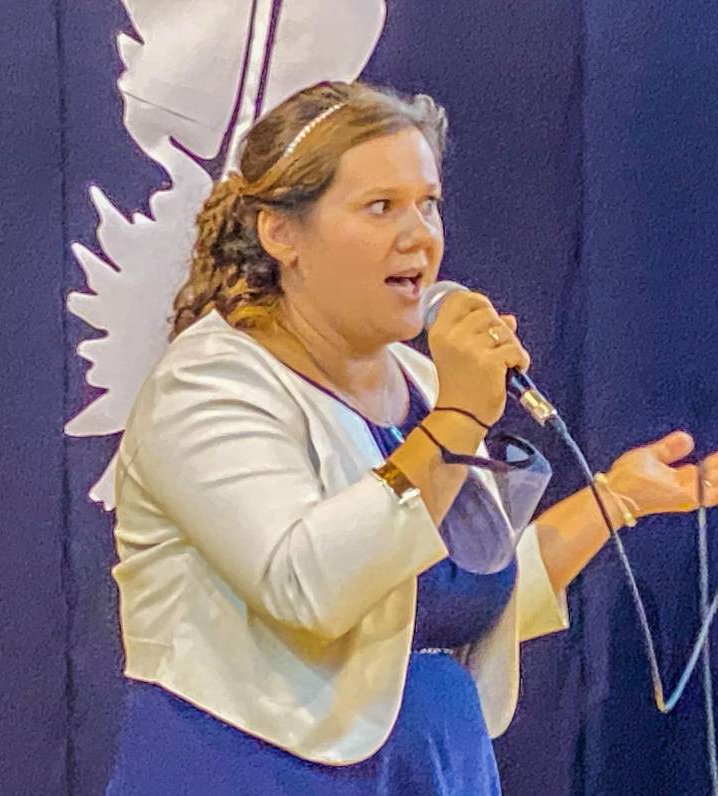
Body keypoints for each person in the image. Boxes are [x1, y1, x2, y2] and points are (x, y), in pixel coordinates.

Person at [105, 80, 718, 794]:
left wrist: (617, 499)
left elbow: (445, 604)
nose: (419, 235)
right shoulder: (208, 385)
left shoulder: (420, 381)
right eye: (381, 207)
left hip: (432, 771)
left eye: (428, 203)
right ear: (281, 233)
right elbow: (308, 589)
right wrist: (458, 417)